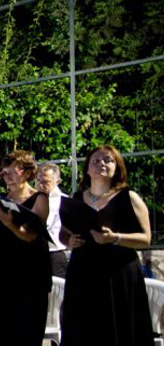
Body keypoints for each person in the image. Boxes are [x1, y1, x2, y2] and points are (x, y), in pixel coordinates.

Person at [60, 145, 153, 345]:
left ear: (117, 168)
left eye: (108, 160)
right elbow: (63, 233)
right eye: (96, 160)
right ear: (87, 169)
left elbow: (146, 239)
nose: (101, 164)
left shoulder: (129, 197)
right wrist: (68, 241)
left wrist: (115, 238)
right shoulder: (76, 198)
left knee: (118, 329)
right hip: (83, 273)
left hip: (118, 274)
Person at [0, 150, 51, 345]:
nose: (7, 176)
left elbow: (31, 235)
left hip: (28, 275)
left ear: (27, 173)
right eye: (5, 172)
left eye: (13, 171)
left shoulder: (39, 198)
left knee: (25, 333)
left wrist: (9, 224)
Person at [35, 163, 69, 278]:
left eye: (46, 182)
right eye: (38, 180)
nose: (41, 185)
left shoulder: (64, 201)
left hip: (55, 253)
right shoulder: (32, 198)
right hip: (34, 251)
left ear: (57, 181)